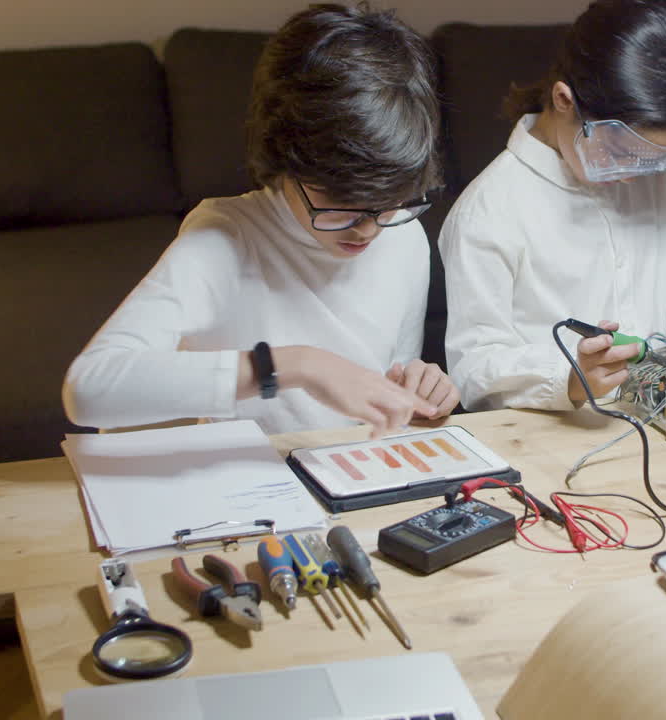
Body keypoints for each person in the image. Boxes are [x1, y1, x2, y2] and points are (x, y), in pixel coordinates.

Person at [63, 3, 459, 437]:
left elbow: (385, 400)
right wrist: (296, 365)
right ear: (285, 158)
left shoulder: (403, 237)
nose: (367, 228)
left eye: (389, 202)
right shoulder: (226, 239)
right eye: (340, 201)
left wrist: (418, 391)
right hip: (249, 487)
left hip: (349, 473)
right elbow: (89, 389)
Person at [439, 0, 666, 412]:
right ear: (563, 100)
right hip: (550, 444)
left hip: (658, 424)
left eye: (653, 160)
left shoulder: (648, 175)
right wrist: (570, 377)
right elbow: (474, 369)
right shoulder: (487, 212)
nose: (635, 176)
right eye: (619, 153)